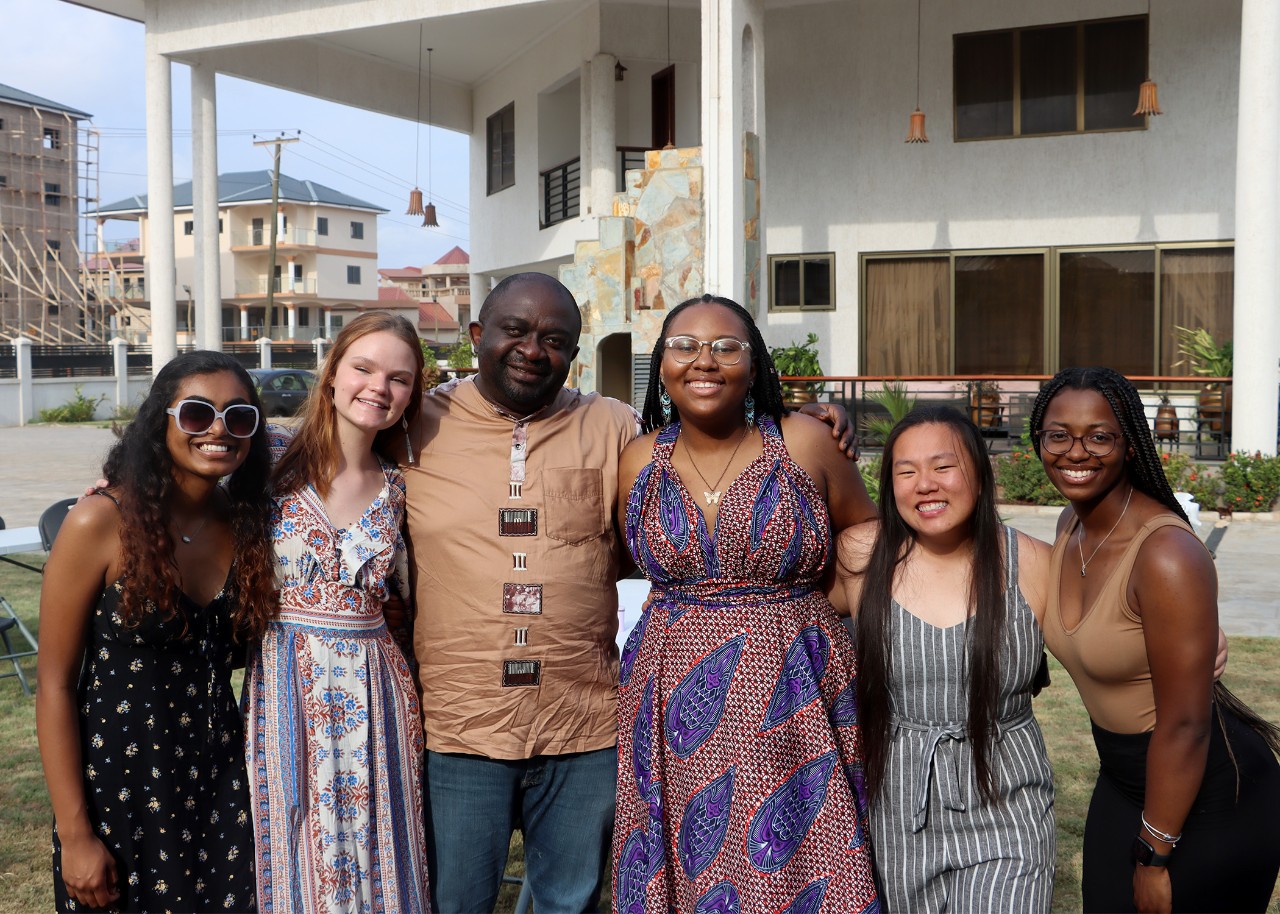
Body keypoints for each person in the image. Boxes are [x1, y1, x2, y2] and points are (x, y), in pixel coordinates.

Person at [400, 274, 856, 913]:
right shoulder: (414, 427)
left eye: (555, 339)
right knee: (453, 902)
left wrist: (815, 417)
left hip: (584, 725)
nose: (534, 350)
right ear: (477, 336)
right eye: (515, 331)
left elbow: (721, 446)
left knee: (573, 902)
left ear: (574, 353)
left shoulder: (614, 429)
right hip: (459, 729)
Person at [612, 294, 880, 913]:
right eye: (684, 346)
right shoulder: (637, 459)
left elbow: (866, 541)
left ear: (754, 364)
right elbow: (623, 557)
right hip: (668, 690)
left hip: (795, 689)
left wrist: (816, 615)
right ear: (662, 366)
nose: (704, 361)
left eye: (726, 347)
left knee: (801, 853)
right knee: (686, 861)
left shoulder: (804, 441)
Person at [1031, 366, 1280, 913]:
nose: (1077, 452)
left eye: (1099, 436)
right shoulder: (1069, 527)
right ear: (1037, 441)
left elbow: (1186, 725)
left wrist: (1154, 856)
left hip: (1210, 793)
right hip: (1123, 779)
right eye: (1058, 435)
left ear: (1130, 446)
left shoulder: (1165, 553)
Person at [36, 350, 275, 912]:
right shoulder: (101, 520)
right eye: (196, 413)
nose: (219, 430)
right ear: (160, 420)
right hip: (119, 791)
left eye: (239, 417)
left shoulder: (246, 526)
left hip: (220, 789)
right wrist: (75, 835)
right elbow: (53, 684)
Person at [244, 312, 431, 914]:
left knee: (383, 848)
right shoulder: (267, 455)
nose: (379, 387)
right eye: (365, 368)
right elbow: (173, 480)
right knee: (294, 842)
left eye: (399, 379)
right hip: (287, 678)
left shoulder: (401, 486)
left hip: (376, 687)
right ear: (331, 374)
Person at [837, 406, 1056, 912]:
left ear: (980, 473)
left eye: (943, 466)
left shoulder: (1036, 563)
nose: (925, 485)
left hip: (1008, 808)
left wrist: (1183, 630)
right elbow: (769, 604)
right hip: (894, 813)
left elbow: (1104, 648)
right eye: (906, 472)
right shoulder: (861, 556)